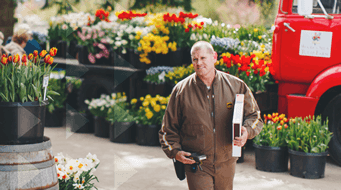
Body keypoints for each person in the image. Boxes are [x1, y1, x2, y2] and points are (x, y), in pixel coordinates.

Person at [159, 41, 263, 190]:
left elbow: (255, 116)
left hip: (226, 163)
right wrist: (174, 152)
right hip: (197, 164)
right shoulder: (181, 91)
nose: (199, 63)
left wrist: (247, 131)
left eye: (203, 58)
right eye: (195, 59)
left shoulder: (236, 86)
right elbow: (167, 129)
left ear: (214, 57)